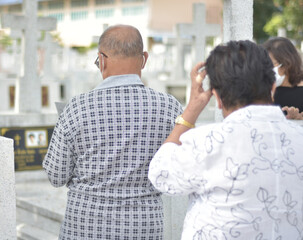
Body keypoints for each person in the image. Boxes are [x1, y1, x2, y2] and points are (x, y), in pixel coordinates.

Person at [148, 40, 303, 239]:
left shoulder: (206, 143)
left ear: (217, 98)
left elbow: (159, 174)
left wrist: (191, 111)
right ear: (273, 87)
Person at [43, 24, 183, 240]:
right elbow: (177, 170)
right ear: (144, 59)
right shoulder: (169, 107)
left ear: (102, 59)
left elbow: (56, 175)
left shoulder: (77, 107)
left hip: (85, 226)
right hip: (143, 227)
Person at [263, 37, 303, 120]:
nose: (267, 69)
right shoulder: (263, 91)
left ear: (287, 63)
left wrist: (299, 118)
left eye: (272, 65)